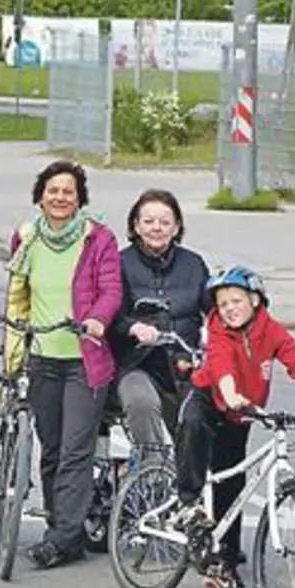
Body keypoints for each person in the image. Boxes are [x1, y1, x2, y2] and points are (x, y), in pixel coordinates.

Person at [178, 266, 295, 588]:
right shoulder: (219, 330)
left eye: (236, 300)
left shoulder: (272, 331)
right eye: (222, 304)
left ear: (255, 300)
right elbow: (221, 365)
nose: (229, 309)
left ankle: (225, 561)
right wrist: (229, 393)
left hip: (241, 414)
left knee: (233, 486)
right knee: (194, 429)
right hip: (210, 399)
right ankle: (188, 503)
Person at [4, 159, 122, 570]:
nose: (59, 198)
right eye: (52, 190)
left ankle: (60, 539)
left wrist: (97, 321)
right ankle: (63, 526)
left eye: (68, 191)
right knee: (51, 449)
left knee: (76, 450)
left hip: (83, 361)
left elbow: (111, 289)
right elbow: (18, 294)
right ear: (40, 195)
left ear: (79, 198)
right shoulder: (26, 238)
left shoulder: (98, 238)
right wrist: (14, 343)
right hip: (42, 357)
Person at [109, 189, 210, 468]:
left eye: (165, 222)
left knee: (198, 418)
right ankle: (152, 471)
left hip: (184, 364)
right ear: (136, 226)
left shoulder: (193, 264)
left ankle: (191, 485)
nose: (157, 228)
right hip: (137, 364)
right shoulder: (119, 263)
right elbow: (109, 314)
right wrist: (133, 328)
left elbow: (214, 308)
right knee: (141, 403)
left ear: (176, 227)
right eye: (149, 221)